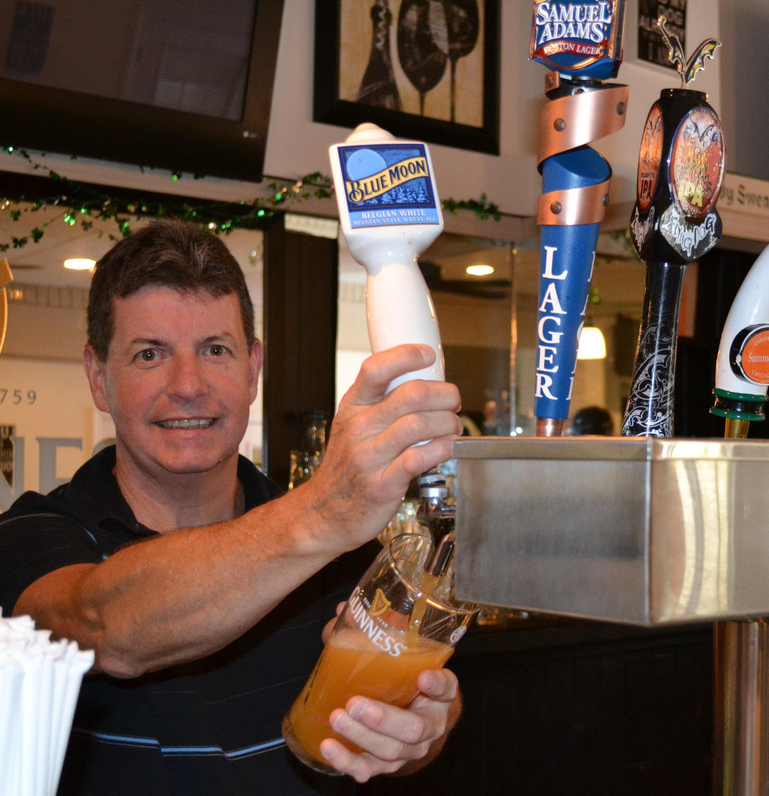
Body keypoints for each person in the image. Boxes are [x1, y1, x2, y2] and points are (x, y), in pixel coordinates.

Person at [0, 219, 464, 794]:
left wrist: (421, 727)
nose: (188, 385)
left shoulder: (330, 549)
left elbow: (404, 716)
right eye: (150, 354)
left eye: (215, 350)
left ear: (252, 369)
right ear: (99, 379)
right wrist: (321, 511)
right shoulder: (33, 534)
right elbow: (102, 626)